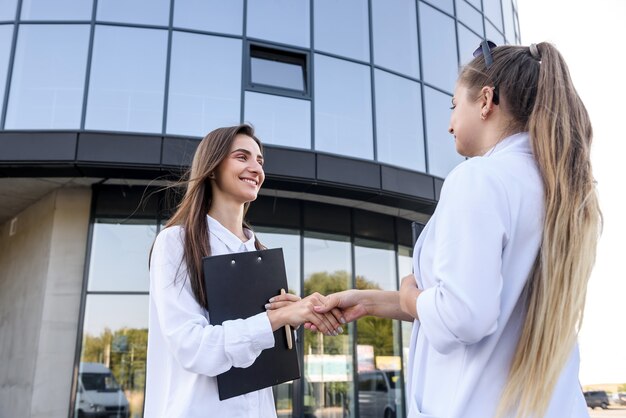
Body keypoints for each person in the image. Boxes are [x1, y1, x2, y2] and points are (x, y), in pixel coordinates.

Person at [280, 41, 601, 418]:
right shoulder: (562, 192)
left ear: (485, 101)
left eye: (453, 106)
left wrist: (406, 296)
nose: (449, 123)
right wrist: (368, 302)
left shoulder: (479, 179)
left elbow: (463, 315)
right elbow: (482, 304)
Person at [145, 124, 343, 418]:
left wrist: (291, 322)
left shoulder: (260, 253)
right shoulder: (175, 242)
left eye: (260, 161)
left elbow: (264, 356)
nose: (256, 168)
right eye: (242, 157)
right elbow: (192, 347)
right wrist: (275, 319)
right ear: (211, 168)